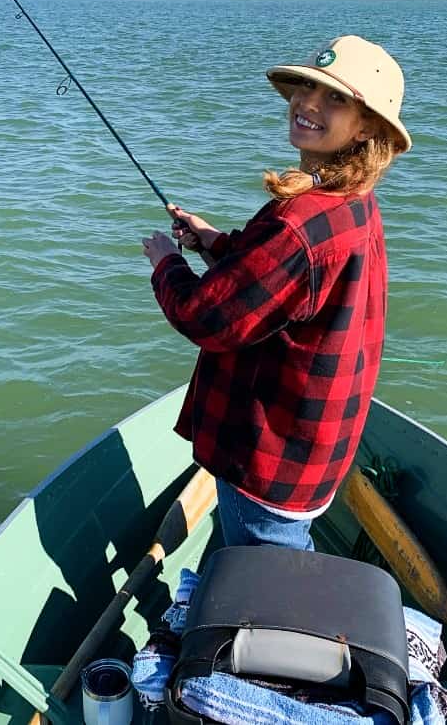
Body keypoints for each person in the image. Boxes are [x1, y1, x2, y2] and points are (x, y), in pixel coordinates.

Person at [141, 35, 411, 551]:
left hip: (270, 462)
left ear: (367, 129)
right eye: (308, 87)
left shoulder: (299, 223)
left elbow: (206, 316)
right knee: (277, 557)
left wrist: (166, 263)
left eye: (335, 98)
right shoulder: (352, 201)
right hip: (316, 451)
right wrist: (214, 242)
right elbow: (280, 281)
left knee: (274, 577)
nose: (309, 103)